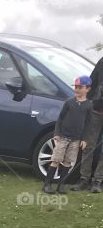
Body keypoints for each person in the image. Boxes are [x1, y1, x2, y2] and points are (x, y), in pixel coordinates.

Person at [43, 77, 90, 194]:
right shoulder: (69, 102)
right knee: (56, 159)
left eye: (80, 88)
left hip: (76, 139)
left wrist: (84, 139)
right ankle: (47, 184)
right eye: (76, 87)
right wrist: (57, 133)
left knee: (68, 161)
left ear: (87, 89)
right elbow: (60, 119)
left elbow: (88, 124)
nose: (77, 90)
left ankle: (61, 185)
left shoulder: (89, 105)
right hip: (63, 137)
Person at [74, 56, 103, 192]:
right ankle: (84, 179)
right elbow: (92, 83)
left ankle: (98, 181)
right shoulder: (102, 62)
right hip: (96, 110)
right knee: (88, 145)